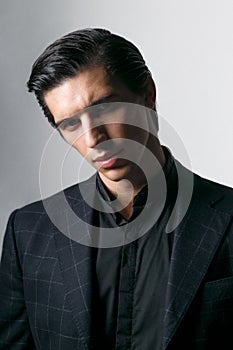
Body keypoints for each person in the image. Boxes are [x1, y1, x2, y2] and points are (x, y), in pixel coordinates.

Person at [0, 28, 232, 350]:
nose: (93, 139)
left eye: (103, 109)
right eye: (70, 124)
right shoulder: (27, 232)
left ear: (148, 95)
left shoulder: (229, 219)